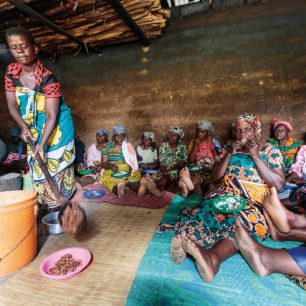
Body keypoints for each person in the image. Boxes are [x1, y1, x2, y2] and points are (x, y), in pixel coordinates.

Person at [160, 113, 284, 283]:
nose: (242, 135)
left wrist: (255, 156)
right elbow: (215, 178)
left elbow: (278, 184)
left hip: (254, 202)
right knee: (205, 210)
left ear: (257, 131)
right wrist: (228, 155)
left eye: (247, 130)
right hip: (224, 196)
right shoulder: (228, 149)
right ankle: (190, 241)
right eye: (238, 131)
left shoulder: (270, 151)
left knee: (240, 221)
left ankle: (213, 257)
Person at [5, 27, 76, 208]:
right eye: (14, 47)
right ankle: (47, 202)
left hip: (57, 126)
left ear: (34, 49)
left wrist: (42, 144)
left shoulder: (48, 78)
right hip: (33, 126)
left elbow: (52, 115)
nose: (19, 51)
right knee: (38, 165)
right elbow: (12, 105)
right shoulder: (11, 73)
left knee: (55, 161)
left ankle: (63, 199)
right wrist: (23, 127)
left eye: (24, 46)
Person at [100, 124, 141, 199]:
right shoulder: (106, 147)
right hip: (113, 171)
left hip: (128, 171)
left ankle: (140, 188)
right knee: (111, 182)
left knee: (134, 182)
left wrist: (131, 168)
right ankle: (118, 189)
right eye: (117, 136)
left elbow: (134, 161)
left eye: (122, 136)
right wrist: (111, 166)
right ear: (113, 136)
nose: (120, 138)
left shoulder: (128, 146)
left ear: (125, 137)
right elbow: (104, 164)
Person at [182, 119, 220, 196]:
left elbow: (217, 158)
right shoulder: (194, 142)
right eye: (198, 131)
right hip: (196, 169)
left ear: (208, 133)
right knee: (193, 175)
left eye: (202, 132)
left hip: (209, 170)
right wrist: (196, 146)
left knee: (204, 180)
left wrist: (214, 167)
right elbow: (190, 161)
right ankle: (189, 187)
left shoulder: (213, 142)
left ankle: (188, 188)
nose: (199, 134)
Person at [158, 126, 187, 192]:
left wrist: (168, 171)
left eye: (175, 135)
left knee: (163, 182)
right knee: (158, 179)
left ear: (179, 138)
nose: (171, 136)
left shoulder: (182, 147)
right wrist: (166, 173)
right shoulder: (163, 146)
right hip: (164, 171)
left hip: (177, 172)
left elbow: (180, 165)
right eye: (170, 134)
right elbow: (161, 164)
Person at [136, 131, 161, 197]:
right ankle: (148, 185)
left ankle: (145, 185)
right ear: (142, 139)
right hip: (141, 169)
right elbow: (136, 161)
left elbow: (156, 164)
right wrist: (140, 165)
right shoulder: (138, 148)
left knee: (151, 176)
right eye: (144, 138)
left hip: (150, 169)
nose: (146, 140)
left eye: (148, 139)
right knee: (140, 174)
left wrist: (147, 166)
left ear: (151, 140)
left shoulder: (153, 150)